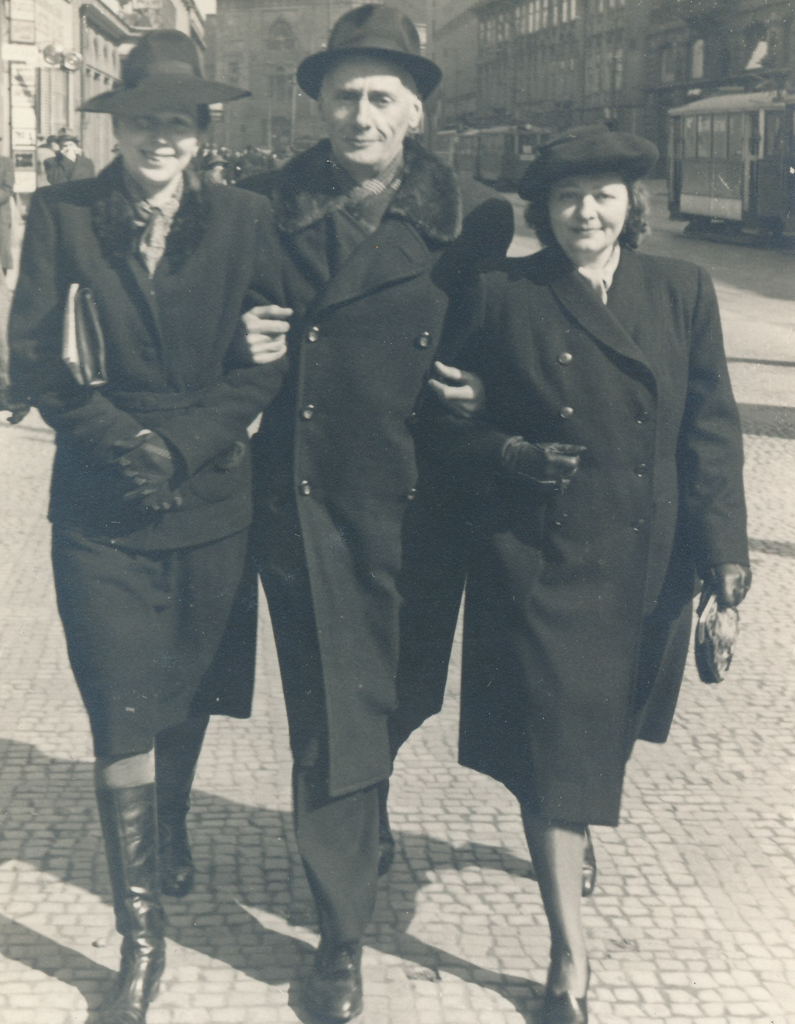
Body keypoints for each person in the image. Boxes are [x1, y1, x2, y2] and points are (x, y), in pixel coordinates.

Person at [424, 124, 751, 1024]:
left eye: (602, 195)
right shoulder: (502, 293)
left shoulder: (680, 289)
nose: (584, 213)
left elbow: (711, 427)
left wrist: (724, 551)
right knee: (554, 752)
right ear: (542, 209)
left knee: (602, 735)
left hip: (648, 559)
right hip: (543, 558)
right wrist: (505, 446)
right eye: (566, 197)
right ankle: (568, 958)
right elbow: (438, 419)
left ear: (630, 204)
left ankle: (573, 820)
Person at [240, 5, 513, 1019]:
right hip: (306, 507)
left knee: (399, 698)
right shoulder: (264, 208)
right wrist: (242, 345)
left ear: (415, 113)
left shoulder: (473, 219)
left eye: (380, 98)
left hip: (418, 511)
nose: (360, 114)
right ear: (318, 103)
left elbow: (498, 345)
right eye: (344, 95)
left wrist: (484, 394)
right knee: (330, 719)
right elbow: (217, 325)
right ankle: (340, 937)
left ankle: (367, 810)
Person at [8, 31, 287, 1024]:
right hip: (101, 504)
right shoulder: (62, 214)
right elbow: (35, 357)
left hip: (209, 499)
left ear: (202, 132)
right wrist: (128, 439)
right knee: (121, 703)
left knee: (187, 686)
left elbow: (267, 359)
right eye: (142, 121)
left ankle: (170, 823)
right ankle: (140, 937)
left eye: (178, 122)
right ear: (116, 127)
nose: (159, 138)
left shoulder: (247, 219)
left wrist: (186, 444)